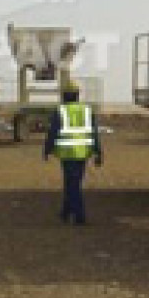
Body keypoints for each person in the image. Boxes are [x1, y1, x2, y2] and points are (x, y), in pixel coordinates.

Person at [43, 81, 102, 224]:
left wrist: (47, 149)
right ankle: (66, 211)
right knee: (74, 182)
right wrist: (98, 152)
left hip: (67, 153)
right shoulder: (87, 110)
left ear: (64, 96)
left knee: (72, 183)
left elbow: (53, 132)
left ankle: (79, 215)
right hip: (83, 152)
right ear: (77, 95)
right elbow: (94, 133)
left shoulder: (61, 111)